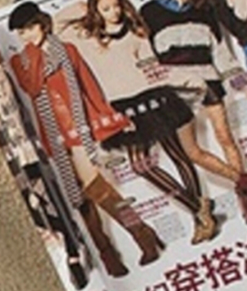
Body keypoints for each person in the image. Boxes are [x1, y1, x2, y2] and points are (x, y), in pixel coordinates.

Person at [8, 1, 165, 275]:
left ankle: (139, 234)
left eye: (30, 28)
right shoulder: (20, 61)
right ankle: (114, 248)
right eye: (21, 32)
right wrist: (35, 51)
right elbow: (32, 86)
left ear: (41, 23)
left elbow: (88, 86)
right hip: (54, 133)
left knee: (92, 185)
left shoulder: (67, 50)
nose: (26, 35)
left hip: (78, 128)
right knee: (78, 195)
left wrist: (109, 116)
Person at [61, 0, 223, 237]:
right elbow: (56, 23)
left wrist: (185, 82)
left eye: (116, 6)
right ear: (95, 10)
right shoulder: (85, 36)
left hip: (151, 98)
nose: (114, 12)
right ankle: (199, 207)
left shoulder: (135, 31)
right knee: (141, 166)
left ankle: (201, 222)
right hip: (121, 106)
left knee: (177, 155)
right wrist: (85, 4)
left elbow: (153, 69)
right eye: (106, 8)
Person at [0, 14, 91, 288]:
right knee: (34, 204)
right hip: (12, 149)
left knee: (53, 196)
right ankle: (72, 241)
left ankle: (73, 251)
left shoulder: (7, 65)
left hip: (31, 144)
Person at [141, 0, 247, 217]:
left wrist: (238, 80)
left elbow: (219, 48)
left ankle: (245, 199)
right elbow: (146, 56)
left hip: (209, 81)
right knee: (192, 151)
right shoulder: (149, 11)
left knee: (225, 138)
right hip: (176, 88)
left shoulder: (204, 7)